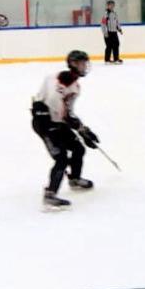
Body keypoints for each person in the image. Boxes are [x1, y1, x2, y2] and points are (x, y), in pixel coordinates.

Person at [31, 50, 100, 210]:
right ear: (73, 64)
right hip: (45, 124)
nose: (85, 66)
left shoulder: (74, 86)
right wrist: (78, 128)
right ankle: (50, 194)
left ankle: (74, 179)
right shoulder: (58, 81)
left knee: (78, 148)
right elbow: (58, 108)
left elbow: (67, 112)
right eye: (82, 63)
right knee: (61, 158)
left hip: (56, 122)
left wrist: (83, 129)